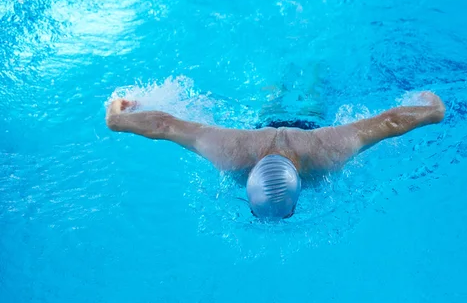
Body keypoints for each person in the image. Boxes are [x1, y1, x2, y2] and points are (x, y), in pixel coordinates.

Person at [105, 91, 445, 219]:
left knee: (295, 87)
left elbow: (165, 125)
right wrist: (118, 120)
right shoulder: (326, 152)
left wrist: (432, 112)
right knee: (302, 86)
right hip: (303, 128)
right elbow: (390, 121)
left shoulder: (231, 151)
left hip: (292, 125)